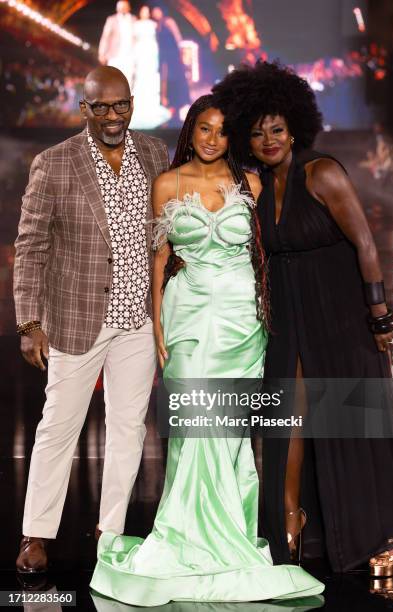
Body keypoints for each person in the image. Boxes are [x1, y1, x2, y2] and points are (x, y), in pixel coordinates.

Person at [90, 95, 324, 605]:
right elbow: (160, 259)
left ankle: (230, 532)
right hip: (188, 316)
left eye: (221, 130)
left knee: (232, 432)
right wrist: (157, 327)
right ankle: (186, 532)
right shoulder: (167, 184)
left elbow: (270, 249)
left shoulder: (251, 183)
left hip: (243, 322)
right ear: (190, 131)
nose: (212, 138)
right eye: (204, 128)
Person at [213, 61, 393, 575]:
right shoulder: (258, 187)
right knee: (286, 426)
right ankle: (290, 525)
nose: (268, 139)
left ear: (295, 126)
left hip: (340, 313)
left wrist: (380, 316)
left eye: (276, 128)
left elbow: (365, 244)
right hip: (288, 315)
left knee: (354, 424)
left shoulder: (321, 171)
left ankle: (380, 534)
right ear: (245, 141)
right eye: (256, 133)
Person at [14, 66, 169, 575]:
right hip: (77, 317)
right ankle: (35, 535)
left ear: (132, 103)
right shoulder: (54, 164)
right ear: (83, 108)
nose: (111, 115)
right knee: (58, 426)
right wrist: (28, 322)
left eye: (119, 104)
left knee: (128, 429)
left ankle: (111, 532)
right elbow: (31, 246)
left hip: (137, 318)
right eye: (99, 106)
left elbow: (164, 237)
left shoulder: (153, 154)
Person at [130, 5, 171, 130]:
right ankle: (140, 106)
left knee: (151, 76)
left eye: (147, 11)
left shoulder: (154, 24)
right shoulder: (136, 24)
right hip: (140, 51)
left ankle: (151, 104)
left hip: (151, 51)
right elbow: (133, 40)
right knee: (140, 77)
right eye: (143, 11)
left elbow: (159, 39)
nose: (145, 13)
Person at [151, 5, 190, 119]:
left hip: (173, 53)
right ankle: (171, 101)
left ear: (162, 11)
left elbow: (177, 36)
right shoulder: (156, 25)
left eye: (157, 11)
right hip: (163, 54)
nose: (156, 13)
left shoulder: (169, 21)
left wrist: (181, 51)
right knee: (166, 77)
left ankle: (182, 101)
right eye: (154, 12)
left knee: (177, 75)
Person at [98, 1, 138, 89]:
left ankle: (125, 102)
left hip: (129, 56)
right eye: (120, 7)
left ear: (129, 8)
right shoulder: (111, 19)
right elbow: (105, 37)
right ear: (117, 8)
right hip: (115, 55)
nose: (122, 8)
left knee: (128, 81)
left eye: (124, 6)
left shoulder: (134, 19)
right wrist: (101, 53)